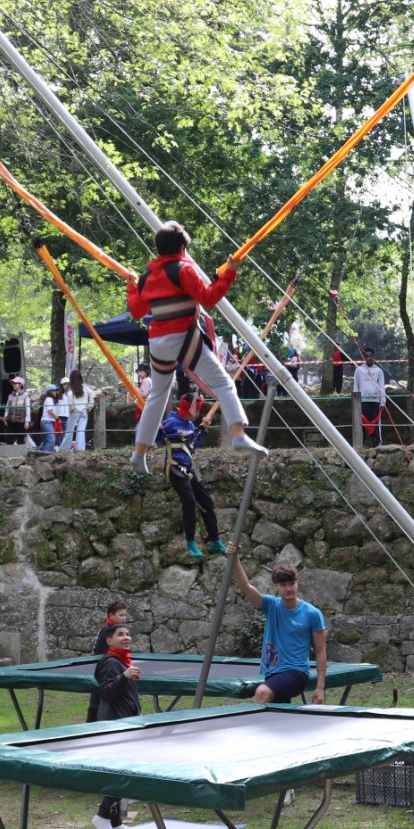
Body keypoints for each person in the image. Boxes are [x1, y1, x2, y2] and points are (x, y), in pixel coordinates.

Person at [127, 219, 266, 473]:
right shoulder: (184, 270)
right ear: (182, 248)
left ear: (158, 250)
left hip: (159, 342)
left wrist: (131, 286)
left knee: (157, 396)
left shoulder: (147, 278)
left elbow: (137, 310)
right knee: (224, 384)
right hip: (184, 337)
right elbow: (209, 298)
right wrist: (231, 272)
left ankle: (138, 452)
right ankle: (238, 434)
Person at [226, 542, 327, 704]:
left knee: (262, 692)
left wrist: (320, 687)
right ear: (276, 586)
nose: (288, 589)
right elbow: (246, 588)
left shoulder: (312, 614)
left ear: (297, 583)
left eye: (291, 584)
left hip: (297, 672)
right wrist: (234, 558)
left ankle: (252, 730)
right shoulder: (271, 605)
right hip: (273, 672)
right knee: (278, 718)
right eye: (283, 585)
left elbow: (321, 651)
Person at [90, 622, 142, 829]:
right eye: (120, 634)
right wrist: (125, 676)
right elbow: (106, 692)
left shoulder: (121, 661)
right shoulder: (110, 662)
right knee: (122, 772)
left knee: (125, 771)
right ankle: (102, 816)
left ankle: (116, 822)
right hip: (115, 724)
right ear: (109, 641)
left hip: (125, 721)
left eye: (128, 634)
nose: (126, 637)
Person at [161, 390, 227, 559]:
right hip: (174, 467)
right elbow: (157, 440)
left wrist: (203, 430)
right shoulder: (170, 423)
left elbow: (191, 447)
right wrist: (159, 431)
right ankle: (190, 542)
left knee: (207, 501)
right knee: (189, 501)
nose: (198, 413)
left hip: (188, 468)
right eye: (197, 410)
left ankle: (215, 541)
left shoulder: (190, 426)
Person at [86, 600, 129, 723]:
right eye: (121, 615)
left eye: (124, 615)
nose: (124, 618)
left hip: (110, 665)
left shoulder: (115, 628)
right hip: (103, 667)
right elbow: (99, 652)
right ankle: (90, 727)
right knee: (97, 700)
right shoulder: (107, 629)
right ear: (111, 615)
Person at [352, 347, 387, 449]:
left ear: (373, 357)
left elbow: (381, 387)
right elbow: (356, 387)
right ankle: (359, 447)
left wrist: (382, 402)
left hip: (375, 402)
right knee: (361, 425)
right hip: (363, 402)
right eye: (366, 356)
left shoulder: (379, 371)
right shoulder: (358, 371)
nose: (368, 358)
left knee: (375, 426)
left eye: (370, 356)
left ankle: (377, 446)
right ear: (363, 357)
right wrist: (355, 403)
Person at [60, 370, 94, 452]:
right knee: (81, 431)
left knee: (69, 431)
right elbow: (93, 394)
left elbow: (69, 396)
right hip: (84, 411)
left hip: (74, 412)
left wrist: (71, 408)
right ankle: (80, 449)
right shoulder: (85, 387)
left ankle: (64, 449)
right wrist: (89, 406)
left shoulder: (71, 389)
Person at [3, 376, 32, 445]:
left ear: (20, 384)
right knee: (10, 440)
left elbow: (28, 409)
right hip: (11, 422)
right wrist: (5, 418)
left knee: (21, 440)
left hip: (21, 422)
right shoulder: (10, 396)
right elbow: (7, 408)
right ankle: (9, 455)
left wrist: (27, 421)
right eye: (13, 383)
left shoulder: (25, 396)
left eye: (15, 383)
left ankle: (21, 455)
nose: (13, 384)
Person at [35, 386, 61, 452]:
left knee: (46, 439)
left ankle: (42, 453)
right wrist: (57, 418)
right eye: (54, 391)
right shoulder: (49, 399)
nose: (55, 392)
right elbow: (50, 411)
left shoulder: (48, 399)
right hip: (47, 422)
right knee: (51, 439)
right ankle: (46, 454)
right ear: (50, 392)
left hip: (46, 421)